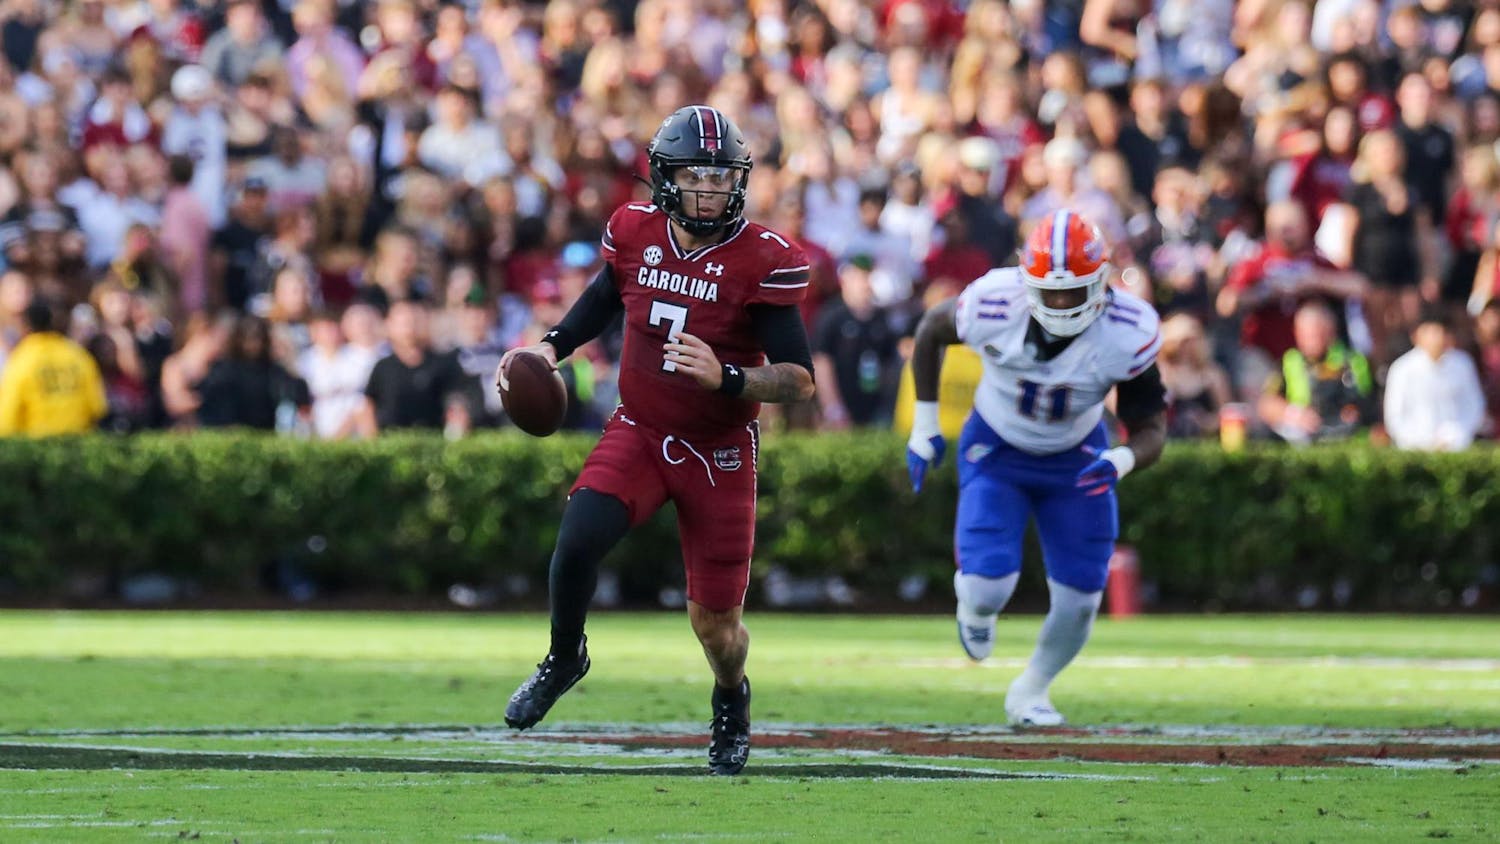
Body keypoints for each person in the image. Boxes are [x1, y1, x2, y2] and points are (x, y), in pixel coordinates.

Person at [498, 106, 815, 776]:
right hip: (640, 429)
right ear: (663, 178)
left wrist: (728, 377)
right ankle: (564, 657)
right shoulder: (632, 231)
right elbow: (606, 296)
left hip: (720, 452)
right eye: (695, 175)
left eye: (721, 176)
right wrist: (551, 348)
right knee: (577, 540)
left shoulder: (763, 259)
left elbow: (800, 381)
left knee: (716, 627)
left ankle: (731, 696)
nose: (709, 189)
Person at [905, 210, 1167, 727]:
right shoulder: (994, 301)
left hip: (1077, 458)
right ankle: (974, 610)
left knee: (1080, 598)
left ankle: (1032, 691)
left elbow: (1151, 428)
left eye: (1075, 291)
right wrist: (924, 424)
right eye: (1052, 291)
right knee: (988, 588)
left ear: (1101, 282)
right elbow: (931, 330)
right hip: (998, 447)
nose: (1063, 302)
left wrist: (1121, 459)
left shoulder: (1126, 331)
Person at [1257, 301, 1374, 445]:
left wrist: (1354, 410)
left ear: (1331, 332)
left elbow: (1370, 400)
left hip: (1348, 434)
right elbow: (1266, 404)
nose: (1309, 340)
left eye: (1315, 334)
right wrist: (1296, 415)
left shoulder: (1353, 361)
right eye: (1304, 334)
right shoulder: (1290, 362)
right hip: (1303, 435)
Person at [0, 301, 107, 435]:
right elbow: (97, 407)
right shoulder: (77, 355)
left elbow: (8, 416)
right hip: (78, 442)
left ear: (25, 326)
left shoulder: (22, 359)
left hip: (38, 446)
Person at [1384, 312, 1485, 451]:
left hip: (1457, 448)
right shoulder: (1402, 369)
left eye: (1441, 332)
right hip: (1414, 451)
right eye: (1431, 332)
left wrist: (1457, 435)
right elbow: (1394, 418)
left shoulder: (1462, 364)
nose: (1437, 337)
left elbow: (1474, 406)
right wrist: (1423, 442)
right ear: (1416, 336)